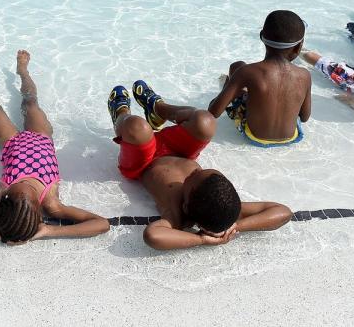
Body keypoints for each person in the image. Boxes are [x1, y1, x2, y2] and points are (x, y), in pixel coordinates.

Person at [0, 51, 110, 244]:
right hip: (41, 137)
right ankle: (19, 72)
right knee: (31, 103)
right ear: (39, 212)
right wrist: (48, 231)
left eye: (16, 193)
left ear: (3, 202)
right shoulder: (52, 204)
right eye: (27, 195)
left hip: (10, 141)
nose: (23, 186)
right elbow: (101, 224)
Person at [106, 82, 292, 250]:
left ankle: (121, 115)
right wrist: (236, 227)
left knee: (138, 127)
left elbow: (153, 236)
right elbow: (283, 212)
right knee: (206, 120)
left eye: (192, 176)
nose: (195, 169)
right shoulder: (226, 208)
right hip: (178, 150)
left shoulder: (177, 215)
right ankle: (159, 109)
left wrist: (202, 240)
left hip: (142, 162)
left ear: (186, 205)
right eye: (199, 170)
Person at [199, 10, 313, 146]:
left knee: (236, 66)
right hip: (291, 137)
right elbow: (304, 117)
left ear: (261, 36)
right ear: (299, 47)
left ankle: (234, 89)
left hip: (254, 136)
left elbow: (213, 112)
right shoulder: (304, 75)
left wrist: (227, 86)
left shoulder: (246, 72)